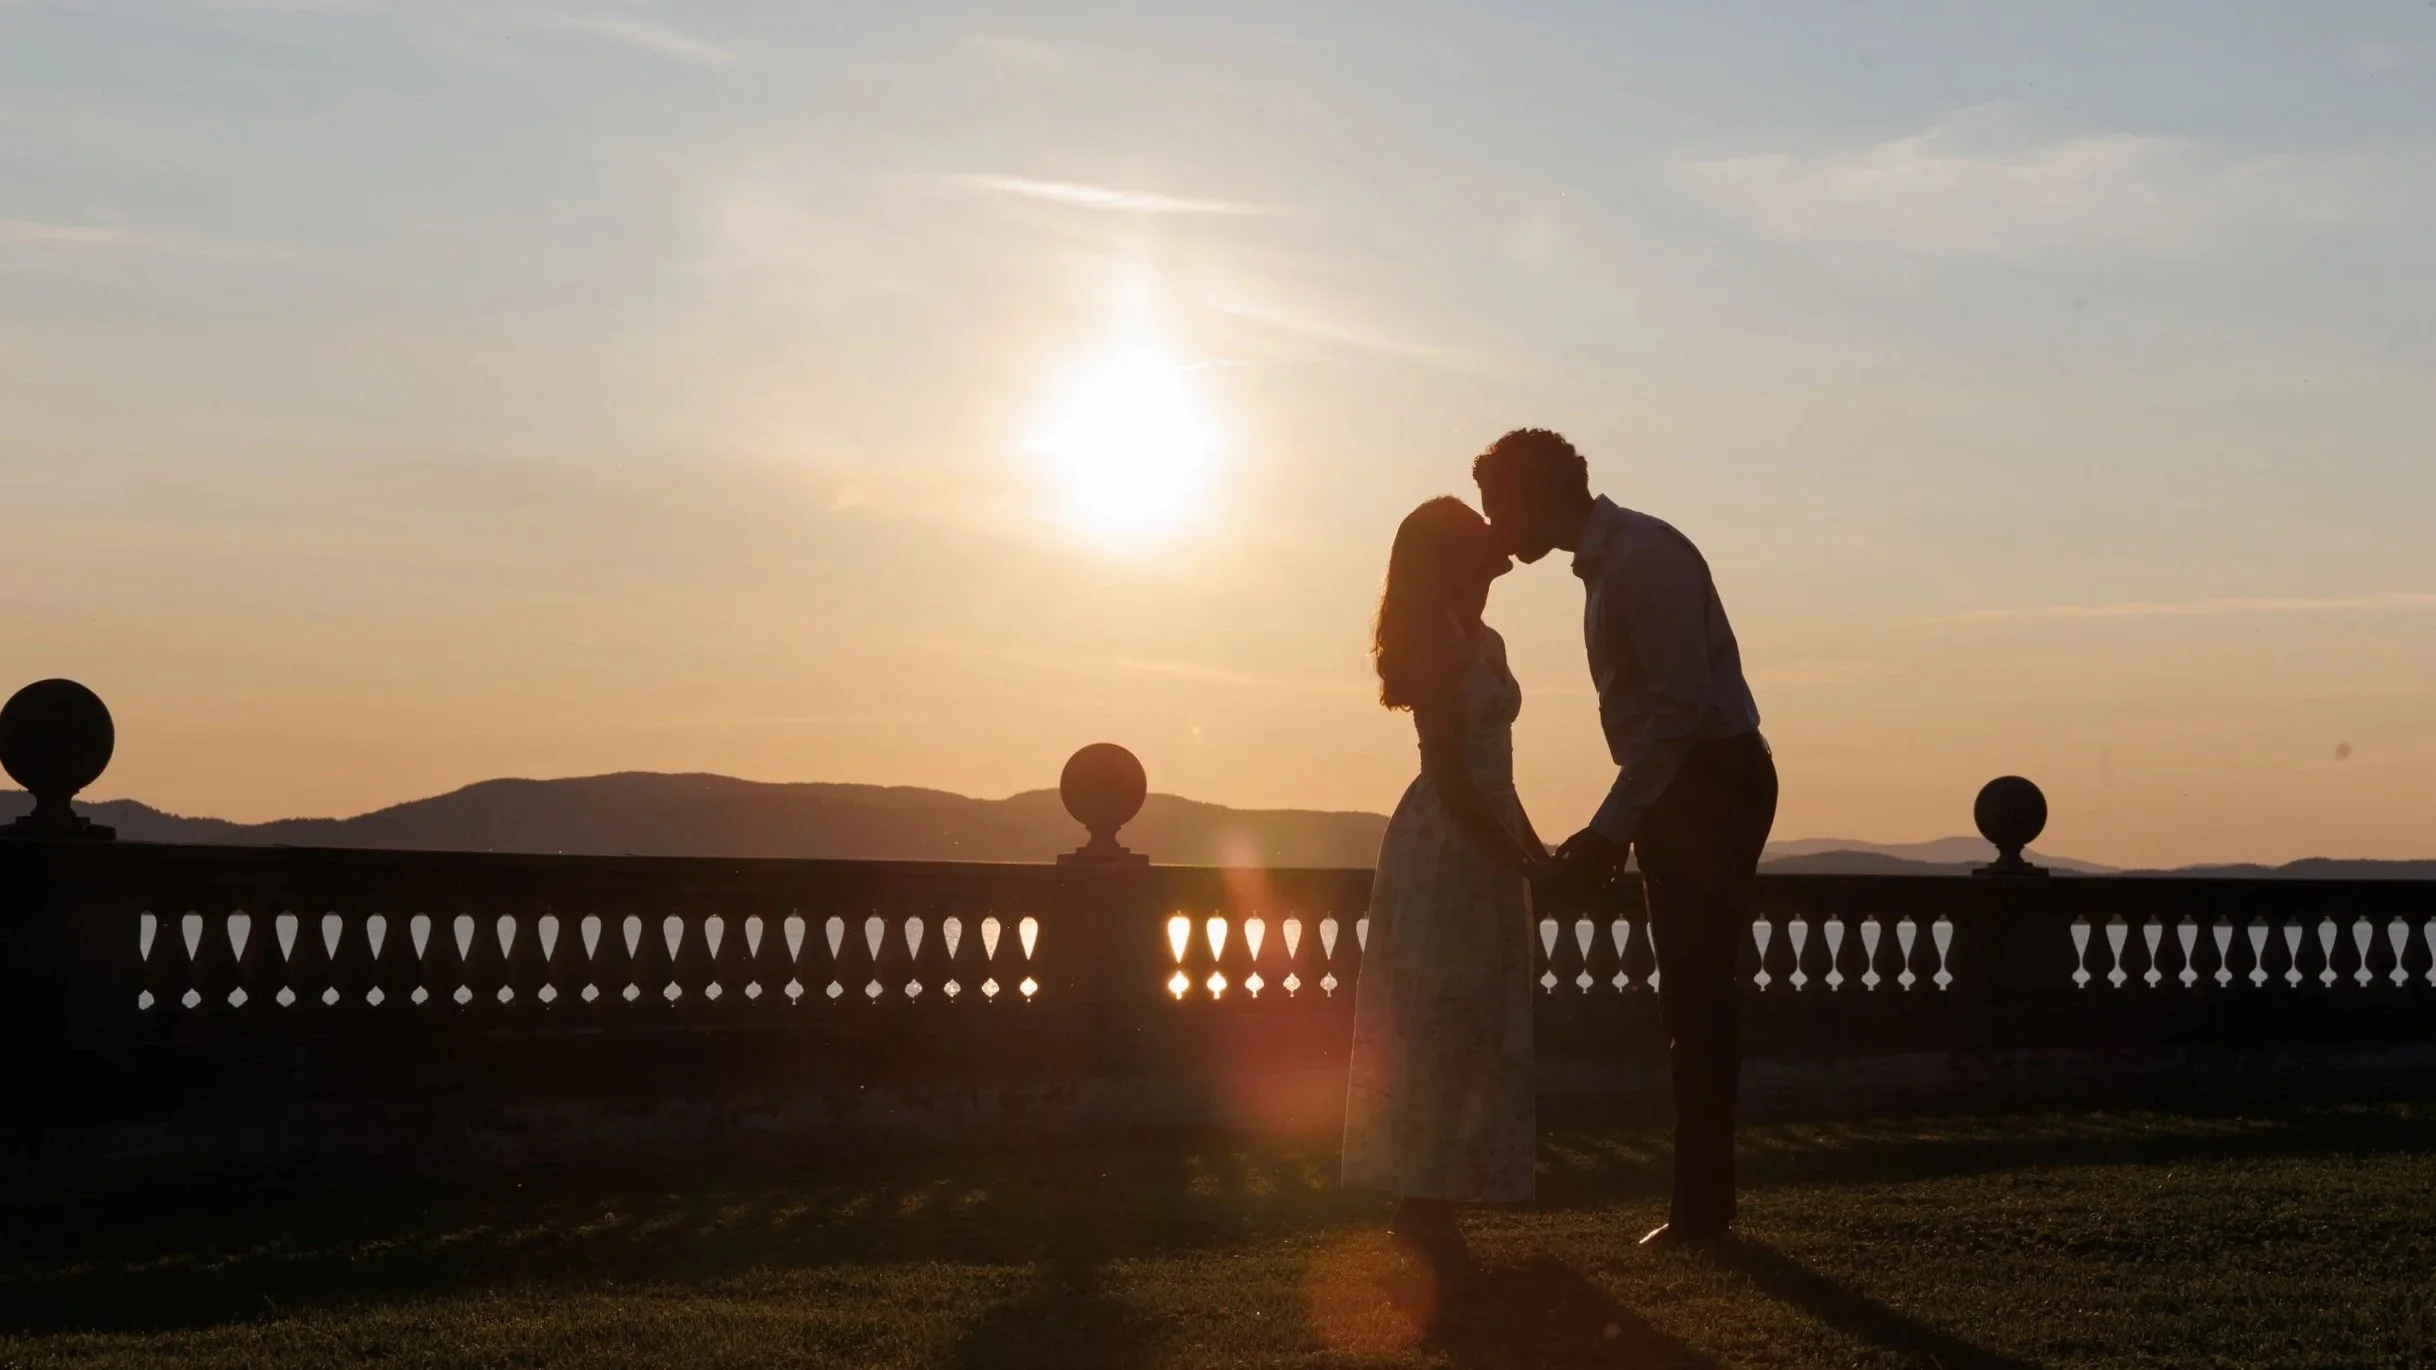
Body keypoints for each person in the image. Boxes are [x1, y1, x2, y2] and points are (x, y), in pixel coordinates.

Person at [1473, 428, 1776, 1248]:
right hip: (1692, 782)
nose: (1497, 530)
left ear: (1540, 496)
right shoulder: (1616, 559)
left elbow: (1678, 712)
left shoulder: (1640, 558)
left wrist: (1610, 831)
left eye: (1501, 509)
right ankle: (1702, 1207)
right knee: (1690, 996)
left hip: (1711, 781)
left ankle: (1702, 1212)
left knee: (1698, 996)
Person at [1342, 495, 1548, 1285]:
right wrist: (1515, 855)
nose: (1493, 576)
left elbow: (1496, 777)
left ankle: (1442, 1192)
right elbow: (1455, 779)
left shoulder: (1485, 638)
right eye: (1478, 559)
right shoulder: (1433, 642)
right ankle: (1418, 1201)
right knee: (1435, 1014)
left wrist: (1534, 847)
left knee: (1477, 1015)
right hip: (1446, 842)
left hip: (1485, 829)